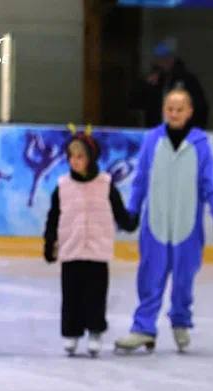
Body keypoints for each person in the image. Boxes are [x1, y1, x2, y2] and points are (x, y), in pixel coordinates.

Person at [115, 88, 213, 353]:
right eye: (170, 108)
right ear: (164, 111)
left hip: (187, 227)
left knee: (184, 279)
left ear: (189, 112)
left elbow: (209, 184)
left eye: (180, 109)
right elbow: (140, 180)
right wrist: (132, 211)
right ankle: (143, 328)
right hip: (154, 223)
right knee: (149, 276)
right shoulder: (152, 140)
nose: (175, 113)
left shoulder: (200, 143)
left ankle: (180, 320)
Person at [43, 128, 138, 357]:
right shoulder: (63, 186)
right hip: (71, 249)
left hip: (97, 249)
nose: (74, 162)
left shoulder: (105, 184)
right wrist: (49, 243)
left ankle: (95, 331)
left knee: (95, 294)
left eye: (80, 157)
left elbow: (119, 212)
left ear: (91, 158)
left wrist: (129, 222)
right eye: (71, 157)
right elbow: (53, 217)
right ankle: (72, 333)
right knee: (71, 294)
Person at [129, 38, 209, 129]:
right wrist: (145, 85)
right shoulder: (154, 80)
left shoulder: (187, 80)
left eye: (166, 58)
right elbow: (134, 103)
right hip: (157, 131)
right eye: (159, 59)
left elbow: (200, 108)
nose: (162, 62)